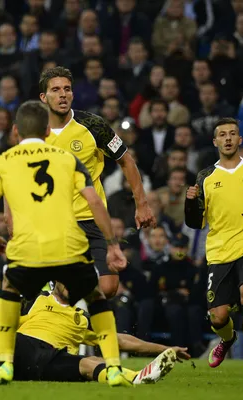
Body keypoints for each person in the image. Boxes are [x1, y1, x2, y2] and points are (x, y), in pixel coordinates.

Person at [0, 101, 129, 386]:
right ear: (47, 131)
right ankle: (115, 368)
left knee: (10, 293)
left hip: (28, 246)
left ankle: (6, 365)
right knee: (95, 298)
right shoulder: (67, 159)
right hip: (67, 244)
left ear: (14, 131)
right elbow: (94, 201)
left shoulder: (3, 161)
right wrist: (113, 245)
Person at [0, 284, 189, 383]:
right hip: (21, 346)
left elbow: (119, 339)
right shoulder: (37, 300)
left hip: (51, 359)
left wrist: (162, 348)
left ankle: (140, 377)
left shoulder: (83, 318)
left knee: (89, 365)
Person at [37, 66, 156, 299]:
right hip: (57, 222)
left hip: (94, 219)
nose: (63, 95)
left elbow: (127, 161)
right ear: (44, 97)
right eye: (56, 90)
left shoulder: (93, 125)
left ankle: (65, 301)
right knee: (67, 288)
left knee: (110, 287)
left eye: (67, 89)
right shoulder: (34, 131)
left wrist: (141, 204)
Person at [185, 117, 243, 377]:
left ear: (240, 139)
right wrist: (190, 202)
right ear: (215, 141)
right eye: (223, 134)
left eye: (233, 134)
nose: (228, 138)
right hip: (220, 250)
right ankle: (228, 338)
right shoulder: (206, 177)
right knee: (218, 317)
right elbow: (195, 222)